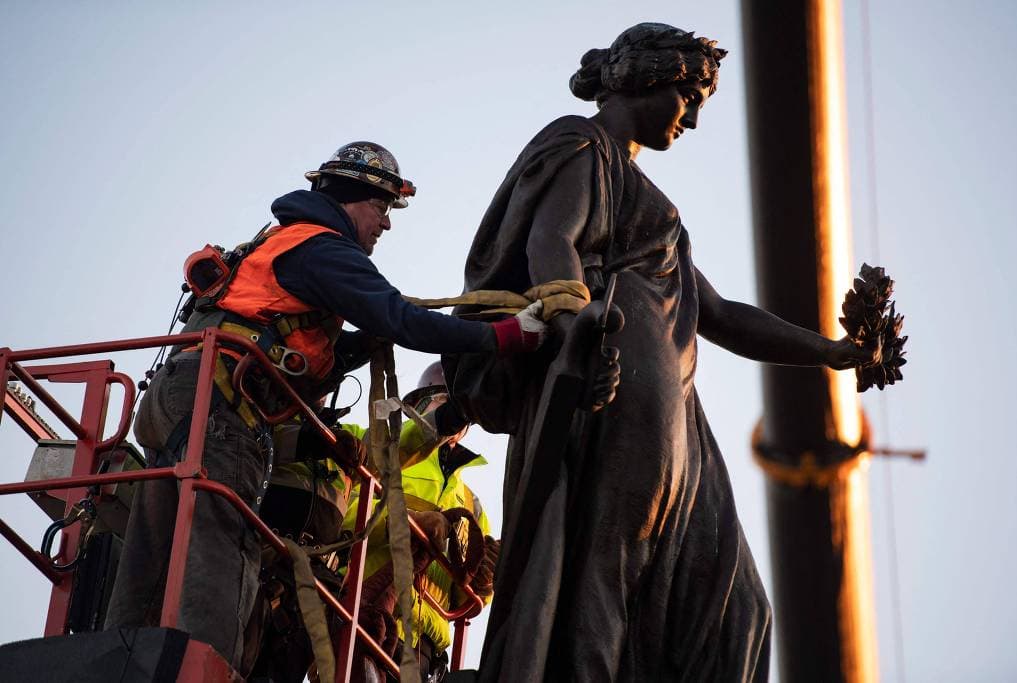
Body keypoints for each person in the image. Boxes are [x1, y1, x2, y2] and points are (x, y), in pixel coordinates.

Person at [444, 23, 880, 682]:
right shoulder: (581, 143)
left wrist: (831, 352)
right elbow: (551, 242)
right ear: (646, 77)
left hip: (674, 405)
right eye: (689, 97)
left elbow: (723, 315)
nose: (694, 119)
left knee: (739, 607)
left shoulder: (659, 209)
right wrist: (579, 332)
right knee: (607, 565)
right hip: (617, 378)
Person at [104, 141, 546, 671]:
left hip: (179, 394)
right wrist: (506, 335)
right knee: (224, 536)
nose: (386, 223)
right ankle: (209, 669)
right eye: (381, 207)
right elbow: (402, 319)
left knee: (154, 545)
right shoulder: (325, 249)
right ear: (352, 199)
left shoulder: (282, 243)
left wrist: (362, 344)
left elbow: (295, 338)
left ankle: (115, 662)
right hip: (222, 401)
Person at [343, 362, 497, 683]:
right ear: (417, 405)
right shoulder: (381, 453)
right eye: (445, 401)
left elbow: (466, 600)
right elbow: (344, 512)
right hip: (368, 616)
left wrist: (483, 583)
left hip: (426, 651)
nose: (457, 415)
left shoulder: (472, 505)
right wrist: (403, 522)